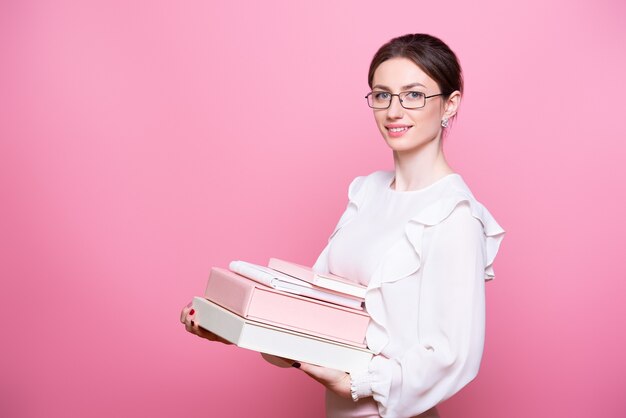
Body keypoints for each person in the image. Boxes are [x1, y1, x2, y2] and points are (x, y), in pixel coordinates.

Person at [180, 33, 505, 418]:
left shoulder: (454, 214)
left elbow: (453, 356)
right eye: (382, 95)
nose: (394, 111)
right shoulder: (367, 193)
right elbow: (319, 317)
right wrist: (237, 329)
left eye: (414, 94)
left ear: (450, 105)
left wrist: (359, 383)